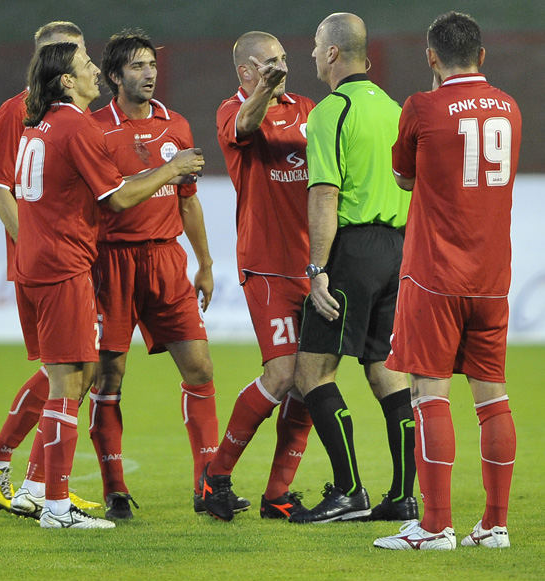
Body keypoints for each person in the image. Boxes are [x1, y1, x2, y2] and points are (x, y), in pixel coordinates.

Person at [12, 41, 204, 529]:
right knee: (72, 381)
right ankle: (56, 505)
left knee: (74, 378)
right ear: (66, 82)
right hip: (69, 265)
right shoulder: (78, 125)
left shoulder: (39, 123)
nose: (94, 70)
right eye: (85, 67)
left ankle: (36, 488)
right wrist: (171, 168)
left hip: (41, 261)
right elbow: (116, 199)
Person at [85, 29, 248, 520]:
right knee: (108, 378)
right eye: (136, 66)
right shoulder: (95, 130)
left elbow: (188, 199)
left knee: (200, 369)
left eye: (151, 64)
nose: (149, 73)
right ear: (114, 76)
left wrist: (205, 262)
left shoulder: (175, 125)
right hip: (110, 263)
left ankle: (208, 485)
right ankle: (115, 488)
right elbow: (114, 198)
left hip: (166, 261)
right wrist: (167, 170)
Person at [373, 12, 521, 551]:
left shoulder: (421, 105)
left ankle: (434, 528)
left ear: (431, 57)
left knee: (427, 392)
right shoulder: (509, 106)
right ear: (482, 56)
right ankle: (495, 525)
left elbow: (404, 178)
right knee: (492, 399)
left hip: (435, 275)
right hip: (492, 278)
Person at [288, 13, 417, 524]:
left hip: (354, 250)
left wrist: (317, 267)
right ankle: (403, 496)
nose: (313, 54)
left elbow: (324, 194)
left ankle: (348, 491)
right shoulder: (395, 109)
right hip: (398, 249)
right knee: (387, 372)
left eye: (318, 46)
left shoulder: (329, 112)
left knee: (311, 371)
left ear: (335, 53)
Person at [0, 21, 98, 516]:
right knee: (67, 372)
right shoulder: (16, 112)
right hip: (50, 261)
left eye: (81, 52)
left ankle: (27, 477)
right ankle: (26, 477)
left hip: (75, 256)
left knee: (73, 372)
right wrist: (39, 244)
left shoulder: (76, 114)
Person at [200, 31, 315, 522]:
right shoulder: (233, 108)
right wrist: (263, 92)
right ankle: (215, 475)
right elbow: (246, 126)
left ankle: (277, 494)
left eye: (284, 58)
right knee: (283, 372)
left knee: (314, 379)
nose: (280, 66)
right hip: (266, 265)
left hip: (315, 265)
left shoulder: (308, 107)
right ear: (245, 71)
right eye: (269, 61)